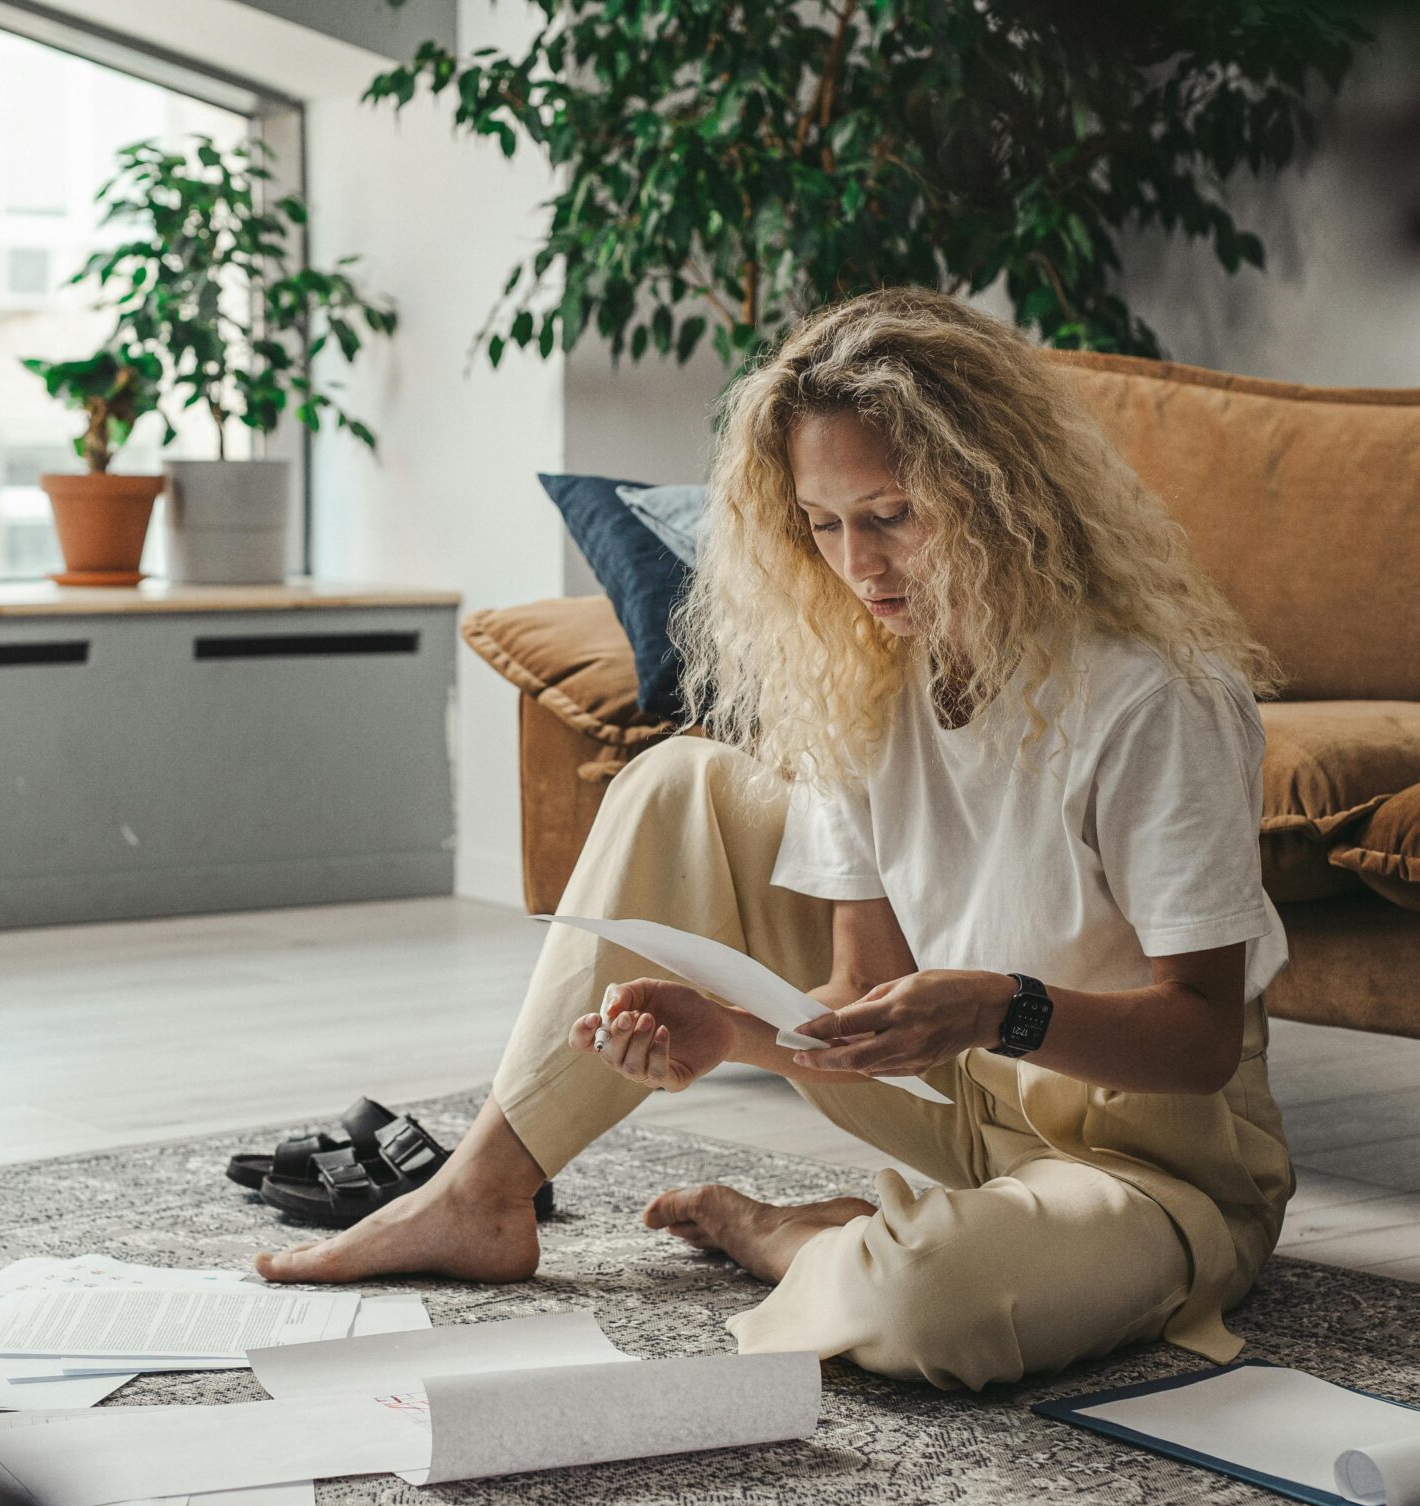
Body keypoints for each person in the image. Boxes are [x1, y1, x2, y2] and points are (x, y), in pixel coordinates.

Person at [258, 287, 1293, 1391]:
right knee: (679, 781)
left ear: (996, 491)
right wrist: (722, 1035)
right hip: (961, 1105)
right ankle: (481, 1191)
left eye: (892, 513)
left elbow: (1199, 1044)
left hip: (1153, 1165)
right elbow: (858, 1000)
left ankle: (801, 1240)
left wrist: (1000, 1005)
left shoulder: (1153, 701)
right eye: (823, 523)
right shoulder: (868, 682)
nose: (860, 565)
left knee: (928, 1308)